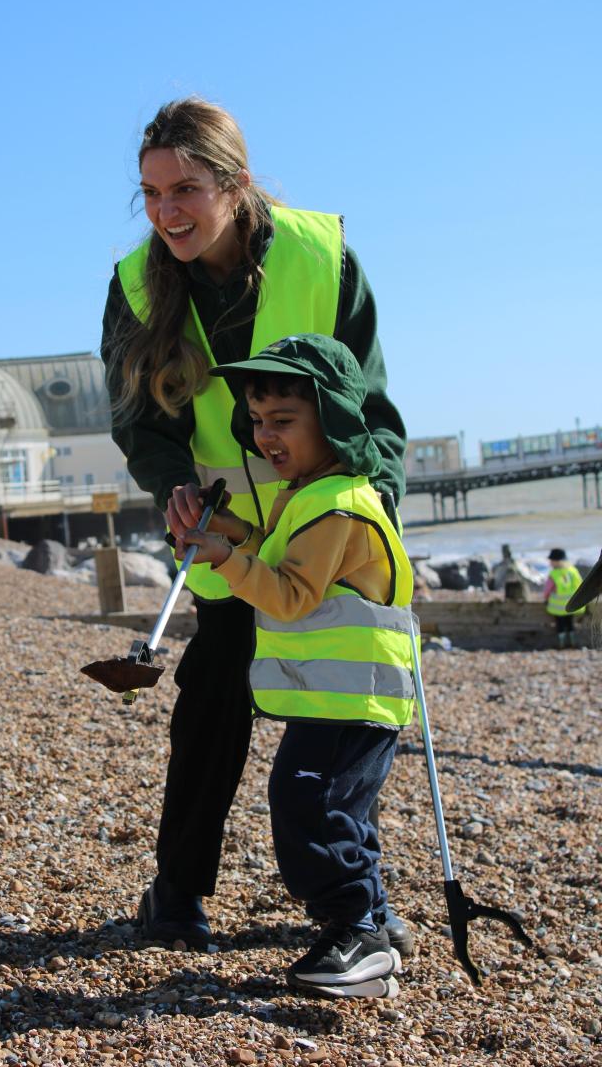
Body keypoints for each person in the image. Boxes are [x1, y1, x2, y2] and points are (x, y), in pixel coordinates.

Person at [100, 97, 412, 956]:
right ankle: (176, 892)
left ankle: (362, 905)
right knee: (213, 704)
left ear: (235, 185)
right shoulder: (135, 285)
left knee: (352, 710)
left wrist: (375, 512)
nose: (167, 211)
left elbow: (373, 407)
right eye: (152, 192)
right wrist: (171, 488)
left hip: (326, 525)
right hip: (227, 532)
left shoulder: (324, 256)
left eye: (186, 189)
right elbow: (139, 421)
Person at [174, 333, 415, 998]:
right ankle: (374, 924)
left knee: (307, 801)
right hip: (344, 700)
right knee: (339, 812)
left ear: (332, 419)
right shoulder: (311, 493)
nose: (265, 435)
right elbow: (279, 556)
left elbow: (289, 592)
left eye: (284, 420)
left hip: (351, 700)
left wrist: (225, 560)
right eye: (256, 421)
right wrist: (233, 537)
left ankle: (356, 933)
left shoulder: (336, 506)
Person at [544, 548, 585, 648]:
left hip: (558, 606)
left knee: (560, 625)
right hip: (572, 604)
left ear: (556, 561)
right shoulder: (573, 571)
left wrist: (545, 599)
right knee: (570, 623)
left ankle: (561, 644)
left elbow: (547, 590)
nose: (550, 563)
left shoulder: (554, 574)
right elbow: (581, 584)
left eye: (551, 561)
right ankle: (572, 642)